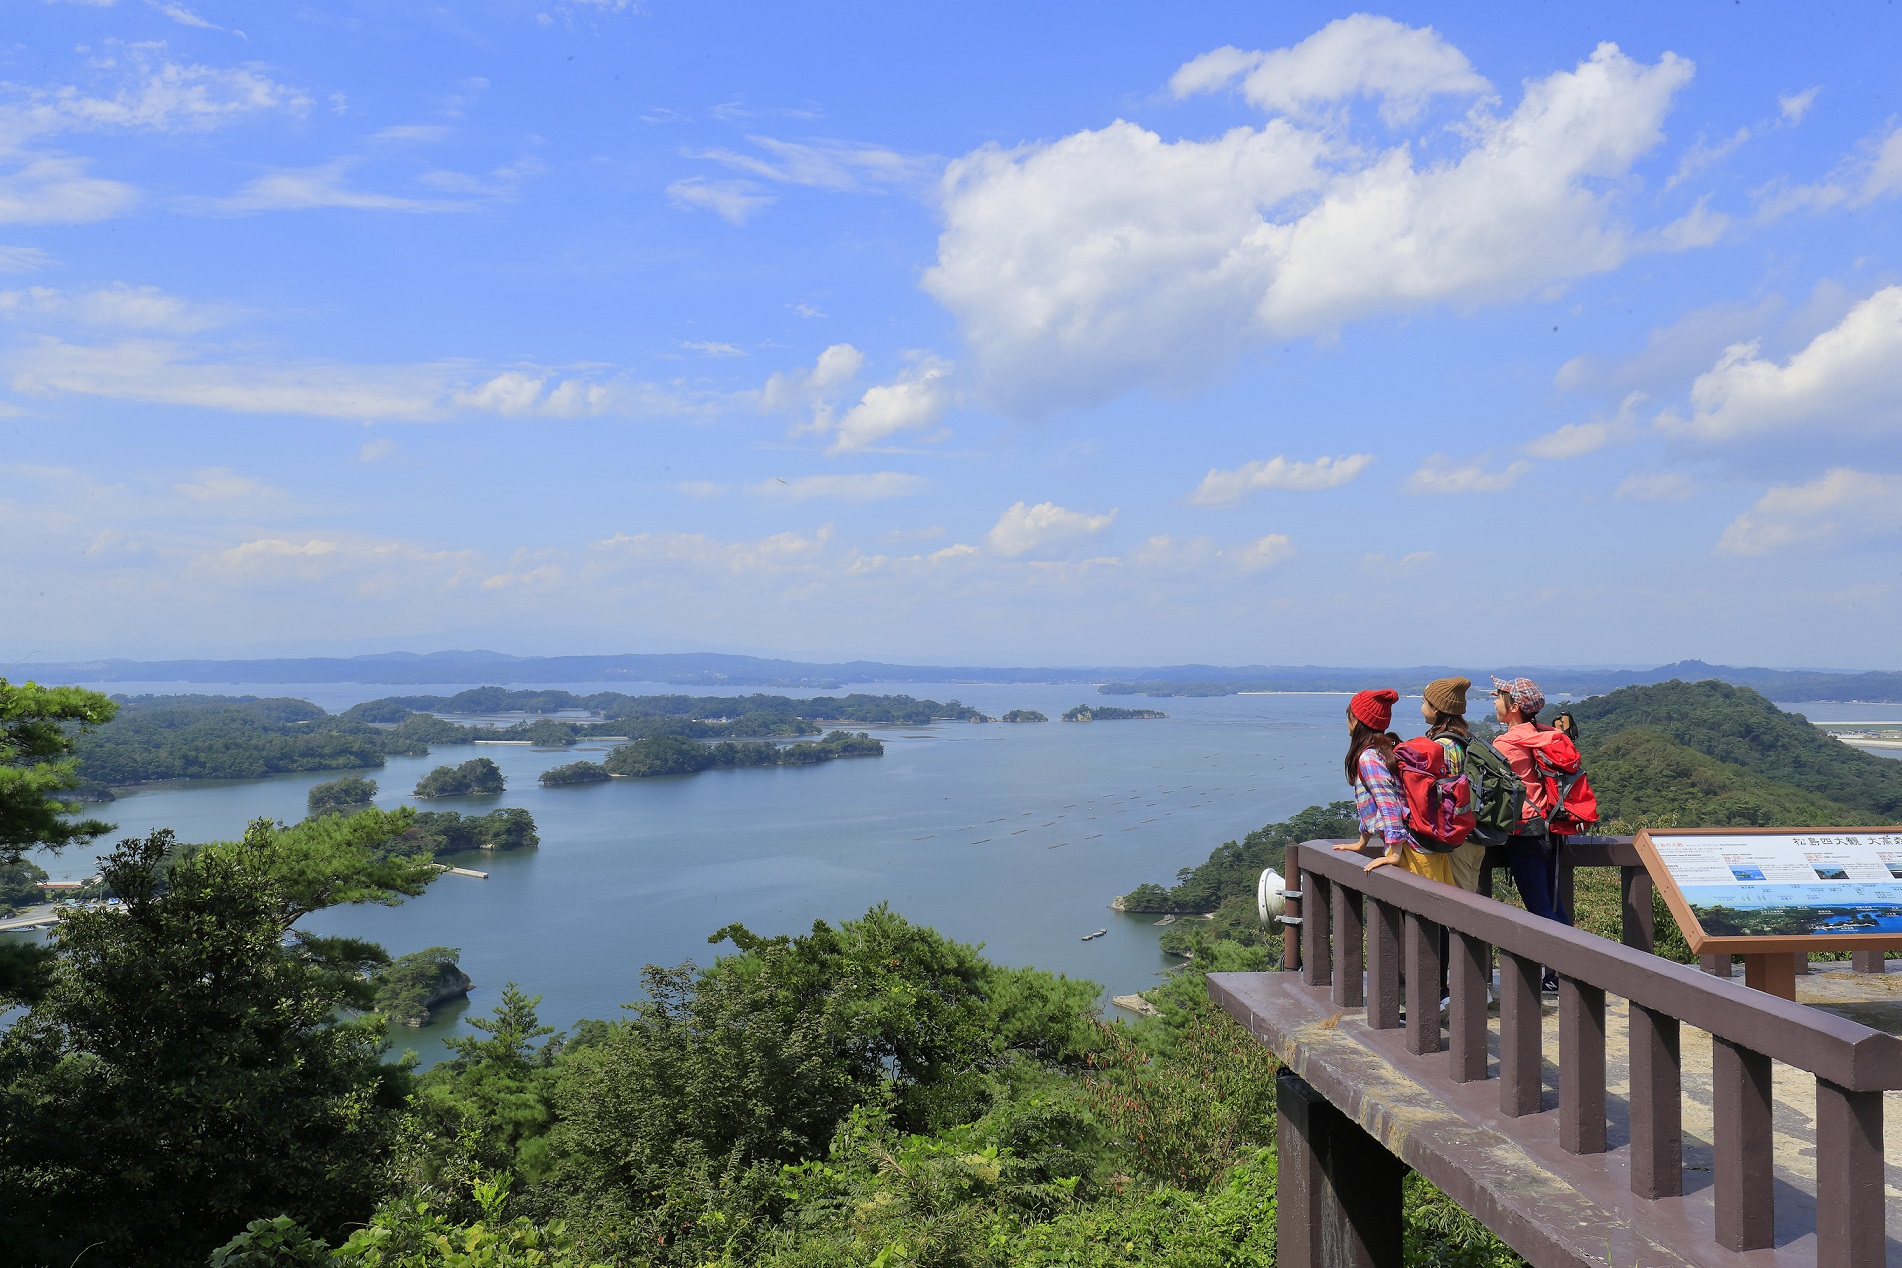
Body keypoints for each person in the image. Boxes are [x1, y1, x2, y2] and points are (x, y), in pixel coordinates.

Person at [1490, 675, 1571, 990]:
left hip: (1524, 831)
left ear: (1513, 707)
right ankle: (1563, 974)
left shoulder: (1506, 742)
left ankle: (1570, 970)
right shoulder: (1546, 733)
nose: (1495, 702)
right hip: (1553, 826)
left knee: (1538, 907)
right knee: (1554, 904)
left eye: (1498, 698)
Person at [1333, 689, 1452, 884]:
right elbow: (1372, 805)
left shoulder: (1369, 758)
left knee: (1422, 911)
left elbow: (1388, 804)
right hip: (1424, 846)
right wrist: (1362, 842)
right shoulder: (1387, 747)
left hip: (1412, 852)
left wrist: (1394, 853)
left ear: (1356, 720)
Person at [1420, 676, 1487, 894]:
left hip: (1458, 838)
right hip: (1474, 833)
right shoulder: (1467, 738)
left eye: (1424, 702)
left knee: (1460, 906)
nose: (1421, 708)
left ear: (1437, 709)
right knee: (1471, 898)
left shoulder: (1443, 745)